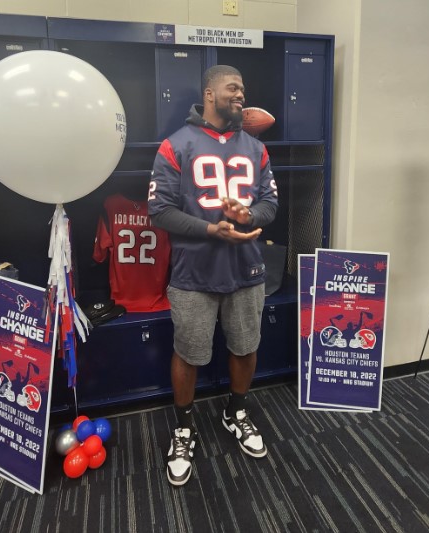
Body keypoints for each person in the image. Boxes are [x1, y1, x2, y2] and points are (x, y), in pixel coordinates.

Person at [148, 65, 278, 486]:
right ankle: (184, 427)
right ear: (209, 93)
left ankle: (235, 411)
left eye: (243, 88)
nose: (241, 94)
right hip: (193, 272)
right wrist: (211, 229)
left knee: (245, 346)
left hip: (247, 269)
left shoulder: (256, 148)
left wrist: (247, 216)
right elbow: (160, 211)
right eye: (233, 88)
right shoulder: (175, 146)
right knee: (188, 353)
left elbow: (270, 204)